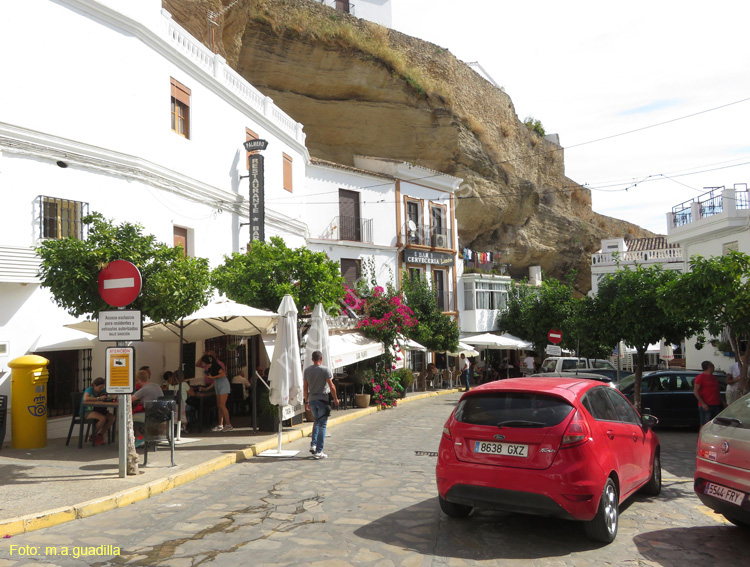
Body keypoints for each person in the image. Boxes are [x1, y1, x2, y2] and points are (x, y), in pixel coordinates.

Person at [303, 350, 338, 459]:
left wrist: (306, 401)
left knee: (316, 422)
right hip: (322, 399)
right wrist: (336, 398)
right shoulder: (325, 370)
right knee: (322, 425)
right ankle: (319, 451)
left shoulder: (307, 371)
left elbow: (305, 387)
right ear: (321, 359)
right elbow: (331, 386)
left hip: (312, 400)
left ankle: (313, 445)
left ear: (312, 359)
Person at [197, 353, 232, 432]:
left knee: (222, 405)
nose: (202, 364)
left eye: (203, 362)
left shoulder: (216, 366)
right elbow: (198, 364)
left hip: (223, 384)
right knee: (219, 405)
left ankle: (228, 424)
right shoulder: (209, 368)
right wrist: (206, 389)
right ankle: (220, 425)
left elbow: (223, 374)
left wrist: (212, 377)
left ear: (206, 362)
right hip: (217, 384)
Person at [132, 369, 164, 447]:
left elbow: (130, 399)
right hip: (161, 413)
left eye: (137, 381)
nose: (137, 383)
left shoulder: (144, 389)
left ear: (139, 380)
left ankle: (140, 439)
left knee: (131, 418)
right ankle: (146, 436)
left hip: (150, 414)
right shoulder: (156, 386)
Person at [81, 377, 115, 446]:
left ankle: (100, 435)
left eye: (103, 387)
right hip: (87, 411)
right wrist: (98, 398)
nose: (101, 389)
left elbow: (110, 395)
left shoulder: (103, 390)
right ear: (94, 385)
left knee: (112, 417)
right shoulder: (90, 389)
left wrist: (112, 396)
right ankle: (93, 435)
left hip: (98, 410)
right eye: (100, 387)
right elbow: (85, 398)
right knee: (102, 418)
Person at [694, 361, 722, 426]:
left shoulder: (714, 377)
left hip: (715, 403)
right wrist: (703, 403)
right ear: (709, 367)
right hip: (706, 404)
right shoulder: (700, 377)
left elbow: (717, 390)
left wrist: (722, 401)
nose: (714, 367)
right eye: (712, 366)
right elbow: (696, 391)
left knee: (715, 424)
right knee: (705, 424)